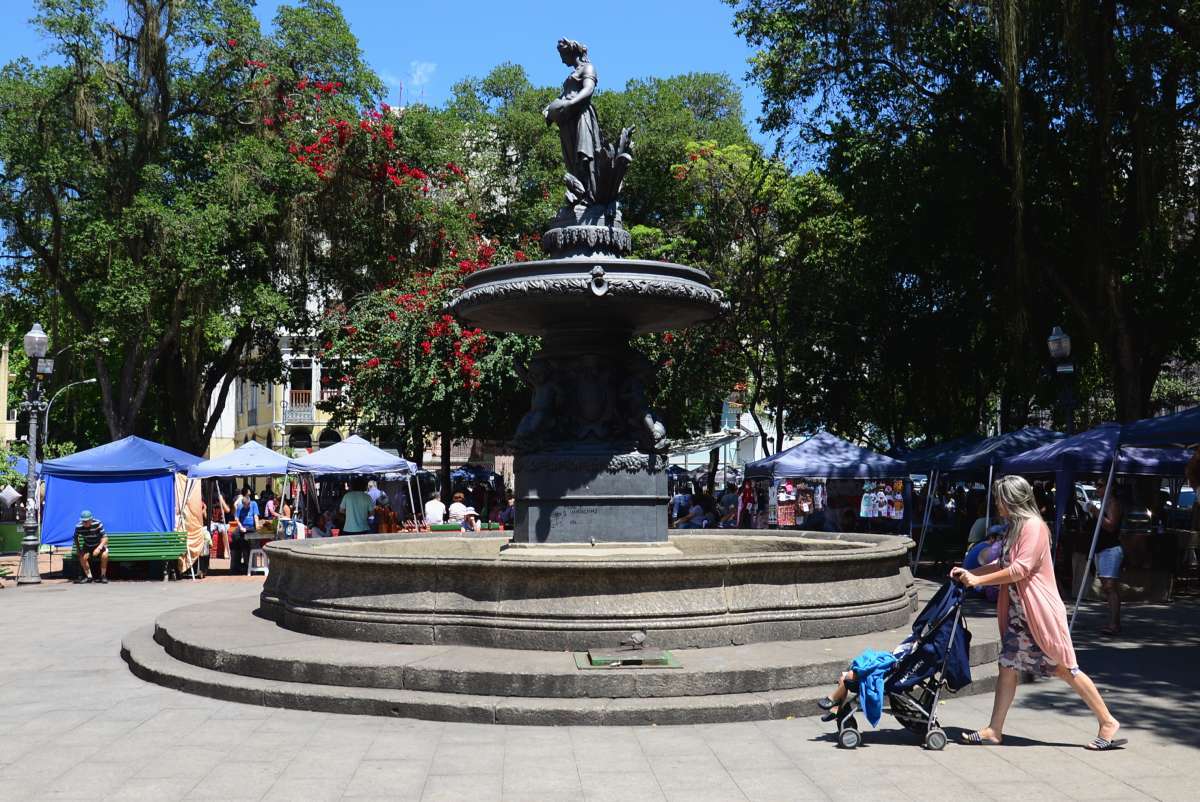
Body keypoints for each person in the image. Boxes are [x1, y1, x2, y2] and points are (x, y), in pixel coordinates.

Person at [951, 475, 1124, 751]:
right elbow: (1001, 564)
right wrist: (970, 573)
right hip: (1022, 615)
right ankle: (994, 729)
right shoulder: (1014, 527)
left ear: (1012, 500)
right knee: (1007, 665)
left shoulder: (1034, 527)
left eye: (999, 498)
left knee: (1064, 667)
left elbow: (1021, 569)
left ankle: (1107, 721)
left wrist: (977, 581)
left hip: (1039, 614)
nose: (996, 503)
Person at [74, 510, 108, 584]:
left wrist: (99, 548)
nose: (84, 523)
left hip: (99, 545)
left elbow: (105, 538)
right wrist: (78, 549)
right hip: (87, 546)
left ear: (91, 520)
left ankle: (103, 576)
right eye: (83, 521)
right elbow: (75, 537)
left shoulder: (98, 523)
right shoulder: (78, 526)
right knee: (82, 557)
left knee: (105, 555)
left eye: (86, 521)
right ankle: (89, 577)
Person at [232, 488, 262, 573]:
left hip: (251, 527)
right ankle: (237, 560)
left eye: (247, 505)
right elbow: (236, 518)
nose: (246, 507)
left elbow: (256, 516)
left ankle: (252, 565)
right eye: (245, 506)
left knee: (252, 540)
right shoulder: (240, 507)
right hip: (243, 526)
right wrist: (241, 526)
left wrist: (257, 527)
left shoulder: (253, 504)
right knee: (235, 535)